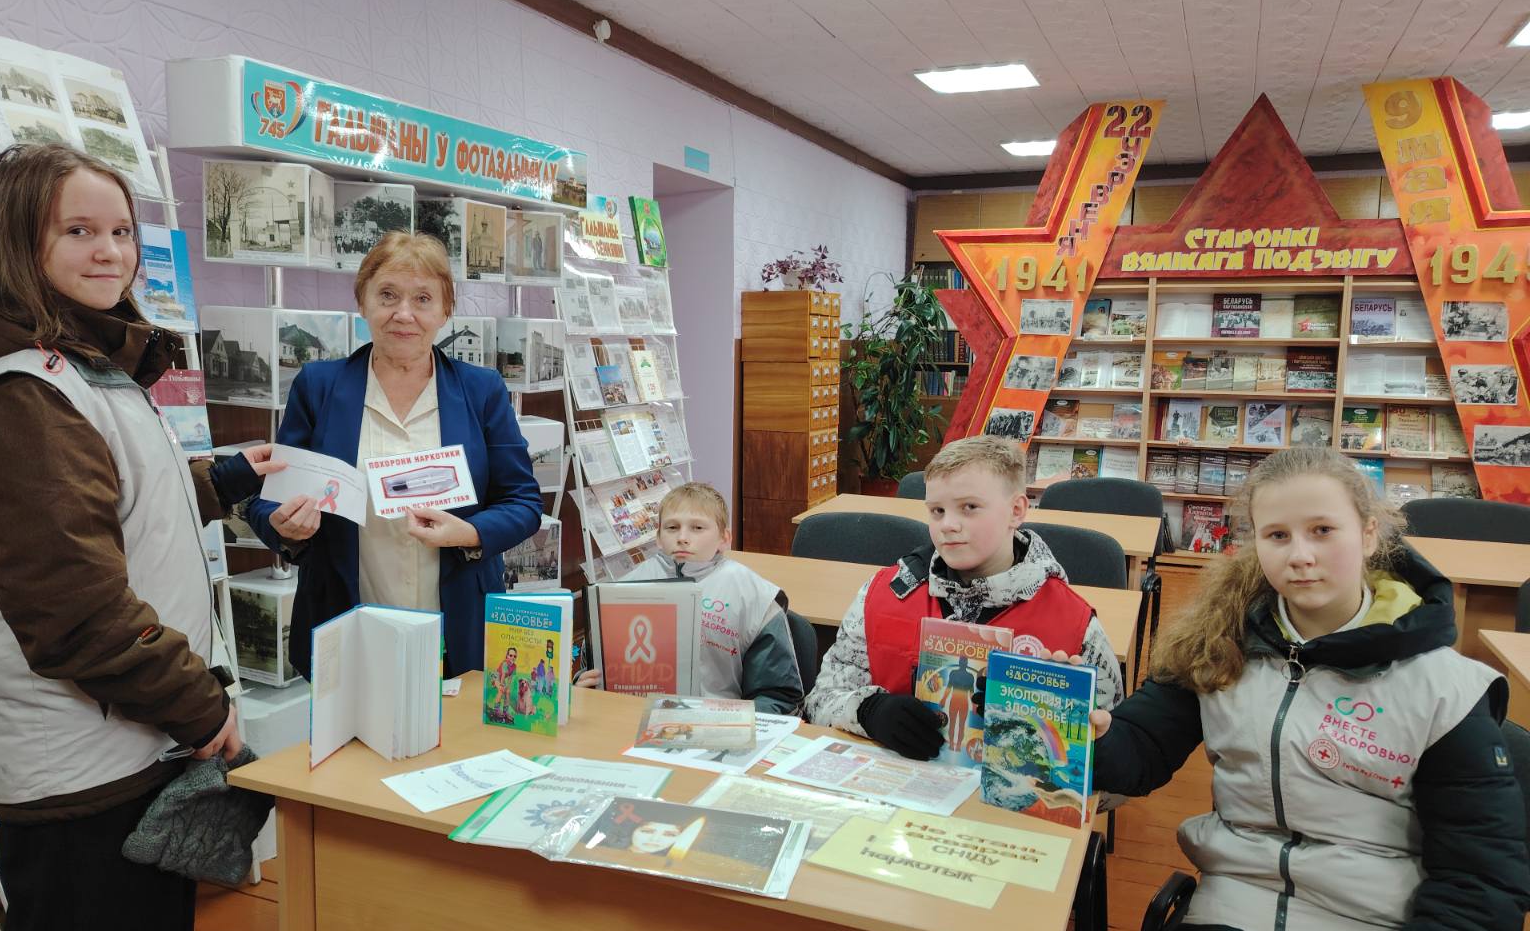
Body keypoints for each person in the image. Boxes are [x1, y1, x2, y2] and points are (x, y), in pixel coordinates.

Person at [0, 144, 281, 931]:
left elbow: (118, 508)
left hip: (123, 746)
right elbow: (73, 606)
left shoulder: (80, 361)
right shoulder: (22, 391)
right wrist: (200, 707)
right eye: (79, 231)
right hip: (82, 770)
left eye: (121, 230)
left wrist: (223, 480)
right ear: (19, 241)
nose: (111, 252)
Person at [1089, 446, 1530, 931]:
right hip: (1238, 914)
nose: (1300, 555)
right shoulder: (1219, 645)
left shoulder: (1444, 689)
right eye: (1277, 535)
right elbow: (1141, 749)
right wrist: (1092, 738)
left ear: (1369, 533)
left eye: (1323, 530)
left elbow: (1482, 884)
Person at [243, 231, 541, 678]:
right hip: (346, 623)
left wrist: (469, 533)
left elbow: (523, 501)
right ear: (362, 302)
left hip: (457, 627)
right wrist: (283, 526)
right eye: (387, 295)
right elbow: (268, 500)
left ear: (445, 310)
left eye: (423, 298)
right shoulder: (318, 387)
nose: (404, 314)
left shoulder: (482, 391)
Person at [806, 436, 1122, 759]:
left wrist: (1049, 726)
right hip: (894, 783)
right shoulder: (880, 596)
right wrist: (868, 711)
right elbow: (819, 701)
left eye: (969, 507)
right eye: (937, 511)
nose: (948, 525)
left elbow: (1112, 765)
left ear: (1016, 511)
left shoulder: (1074, 625)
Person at [577, 482, 802, 715]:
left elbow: (778, 696)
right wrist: (583, 689)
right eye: (672, 527)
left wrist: (734, 723)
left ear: (724, 538)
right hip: (629, 719)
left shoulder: (753, 596)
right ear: (658, 537)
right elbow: (590, 672)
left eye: (697, 528)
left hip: (718, 724)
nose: (683, 537)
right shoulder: (619, 591)